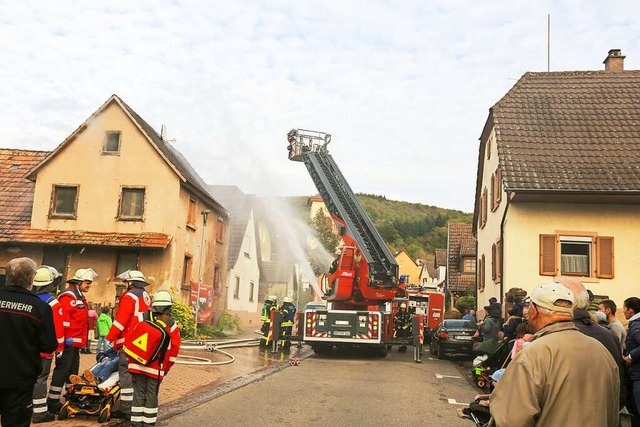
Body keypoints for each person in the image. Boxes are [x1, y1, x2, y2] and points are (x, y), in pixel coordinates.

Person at [490, 282, 619, 426]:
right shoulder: (601, 350)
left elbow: (511, 421)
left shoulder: (533, 354)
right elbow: (613, 411)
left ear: (533, 310)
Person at [0, 258, 57, 427]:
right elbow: (49, 345)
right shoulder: (40, 308)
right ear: (31, 280)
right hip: (20, 380)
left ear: (7, 276)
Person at [47, 267, 97, 414]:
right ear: (79, 282)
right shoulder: (68, 297)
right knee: (62, 371)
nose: (89, 285)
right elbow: (64, 322)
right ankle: (53, 401)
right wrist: (63, 342)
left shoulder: (79, 296)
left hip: (75, 343)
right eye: (87, 283)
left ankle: (70, 397)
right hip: (68, 342)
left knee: (73, 372)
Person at [127, 290, 181, 427]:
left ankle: (136, 423)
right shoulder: (171, 324)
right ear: (169, 307)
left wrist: (130, 360)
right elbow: (174, 349)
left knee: (138, 394)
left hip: (136, 364)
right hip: (156, 368)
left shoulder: (141, 317)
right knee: (151, 395)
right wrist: (166, 368)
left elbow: (130, 338)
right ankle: (148, 424)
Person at [105, 270, 152, 420]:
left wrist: (109, 338)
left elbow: (121, 321)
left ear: (130, 282)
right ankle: (138, 407)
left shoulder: (129, 296)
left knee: (125, 375)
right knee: (139, 377)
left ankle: (126, 410)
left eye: (126, 282)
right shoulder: (145, 297)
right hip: (143, 344)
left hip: (129, 343)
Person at [31, 266, 65, 424]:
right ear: (52, 283)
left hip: (27, 348)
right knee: (41, 378)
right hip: (44, 350)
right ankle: (39, 413)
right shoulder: (53, 303)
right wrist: (60, 348)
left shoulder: (30, 299)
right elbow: (58, 329)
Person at [623, 297, 640, 421]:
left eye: (624, 308)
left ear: (631, 310)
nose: (623, 311)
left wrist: (631, 356)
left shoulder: (636, 325)